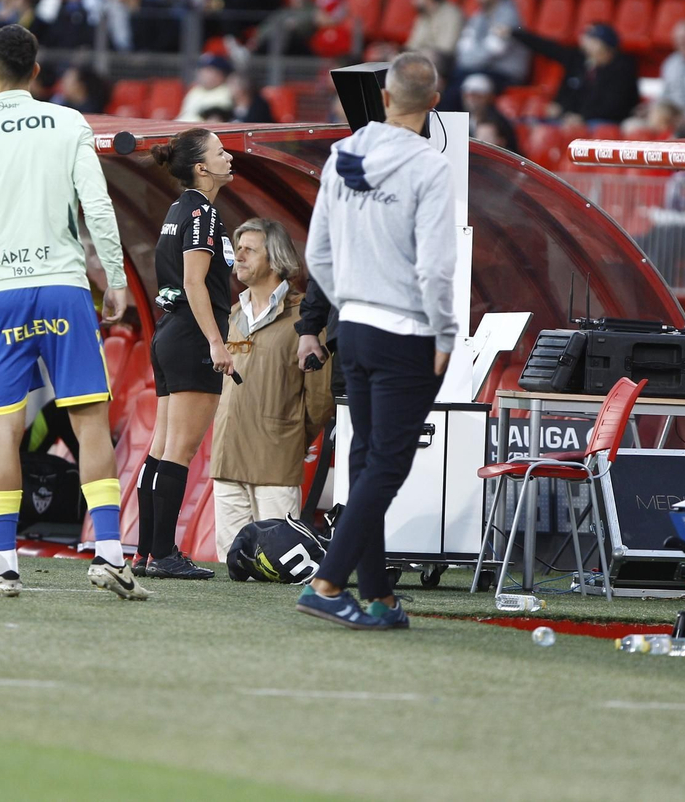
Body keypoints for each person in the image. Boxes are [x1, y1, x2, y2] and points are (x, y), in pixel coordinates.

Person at [0, 25, 144, 599]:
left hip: (1, 290)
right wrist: (117, 280)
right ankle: (108, 553)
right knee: (87, 420)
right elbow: (97, 207)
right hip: (62, 286)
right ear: (37, 70)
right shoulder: (67, 123)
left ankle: (3, 563)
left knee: (4, 429)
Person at [297, 52, 455, 630]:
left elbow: (318, 254)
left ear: (385, 97)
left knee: (365, 460)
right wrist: (444, 330)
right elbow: (436, 269)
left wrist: (350, 302)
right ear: (434, 103)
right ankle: (328, 582)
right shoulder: (430, 167)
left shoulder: (343, 155)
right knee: (387, 465)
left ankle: (380, 595)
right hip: (406, 330)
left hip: (354, 325)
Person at [134, 128, 238, 581]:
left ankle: (144, 551)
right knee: (180, 450)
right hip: (193, 336)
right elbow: (195, 283)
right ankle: (163, 555)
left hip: (169, 332)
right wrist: (217, 341)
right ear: (201, 167)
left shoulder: (178, 211)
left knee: (160, 448)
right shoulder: (203, 213)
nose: (228, 156)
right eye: (219, 152)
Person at [210, 219, 334, 563]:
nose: (240, 256)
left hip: (276, 459)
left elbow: (320, 398)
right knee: (230, 565)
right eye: (238, 249)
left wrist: (290, 434)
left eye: (250, 249)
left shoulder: (305, 317)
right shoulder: (232, 315)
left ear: (276, 259)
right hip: (227, 454)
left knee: (277, 563)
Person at [513, 22, 640, 126]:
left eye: (591, 39)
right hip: (572, 119)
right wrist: (561, 107)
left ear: (604, 45)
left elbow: (614, 106)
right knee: (528, 124)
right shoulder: (579, 60)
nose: (585, 42)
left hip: (604, 122)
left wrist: (582, 118)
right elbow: (548, 48)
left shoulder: (622, 69)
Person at [453, 0, 529, 90]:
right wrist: (465, 63)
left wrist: (467, 63)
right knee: (446, 81)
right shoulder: (478, 15)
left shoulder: (508, 15)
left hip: (506, 72)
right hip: (480, 68)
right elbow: (464, 46)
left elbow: (494, 50)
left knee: (468, 84)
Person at [402, 0, 463, 72]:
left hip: (449, 62)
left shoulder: (451, 14)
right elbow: (413, 44)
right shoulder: (423, 16)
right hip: (424, 56)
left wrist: (418, 53)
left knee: (430, 56)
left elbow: (446, 49)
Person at [179, 54, 235, 121]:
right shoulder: (195, 90)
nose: (202, 74)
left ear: (221, 74)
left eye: (209, 70)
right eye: (201, 69)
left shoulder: (226, 93)